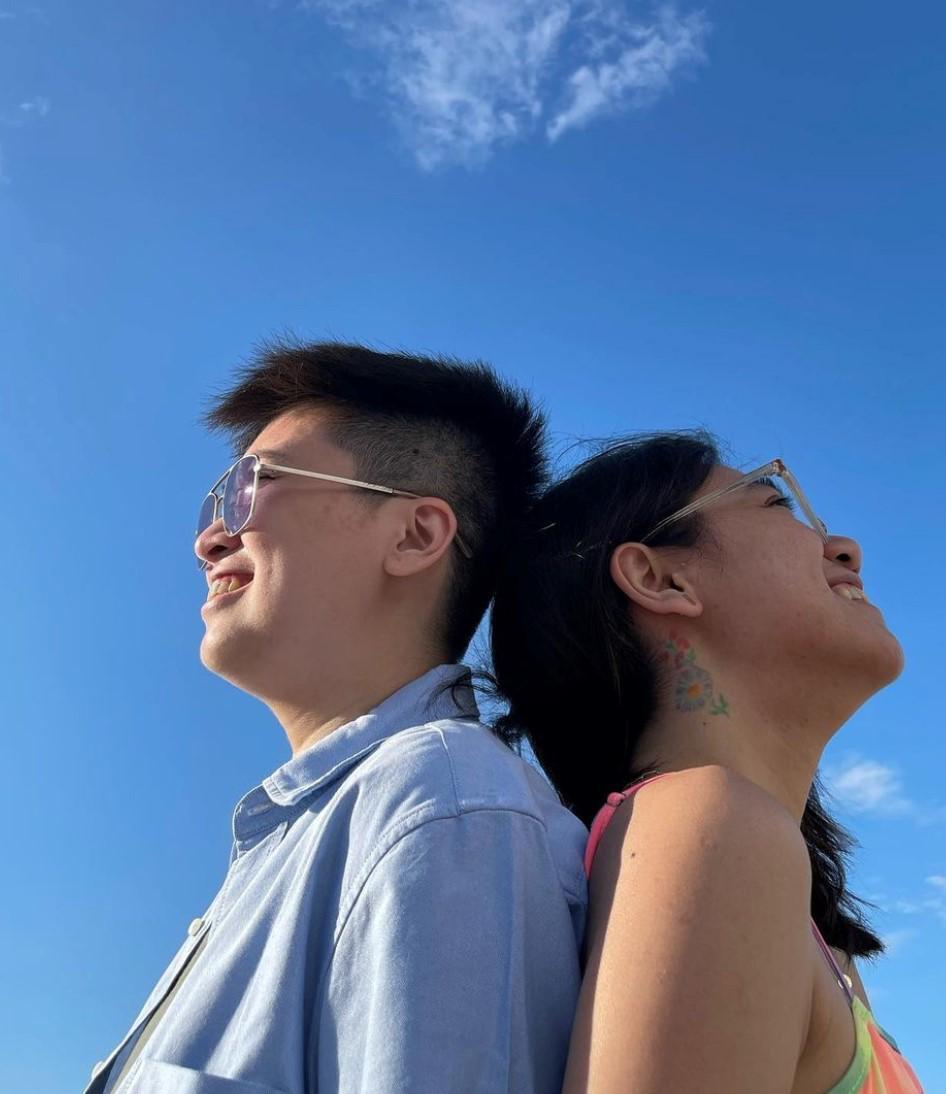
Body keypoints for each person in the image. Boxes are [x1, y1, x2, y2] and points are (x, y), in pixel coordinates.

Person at [85, 341, 587, 1094]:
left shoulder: (443, 807)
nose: (209, 536)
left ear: (416, 534)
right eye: (215, 501)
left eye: (252, 486)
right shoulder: (314, 834)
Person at [490, 432, 924, 1093]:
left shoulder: (777, 897)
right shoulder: (704, 828)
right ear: (659, 578)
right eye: (779, 506)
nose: (843, 547)